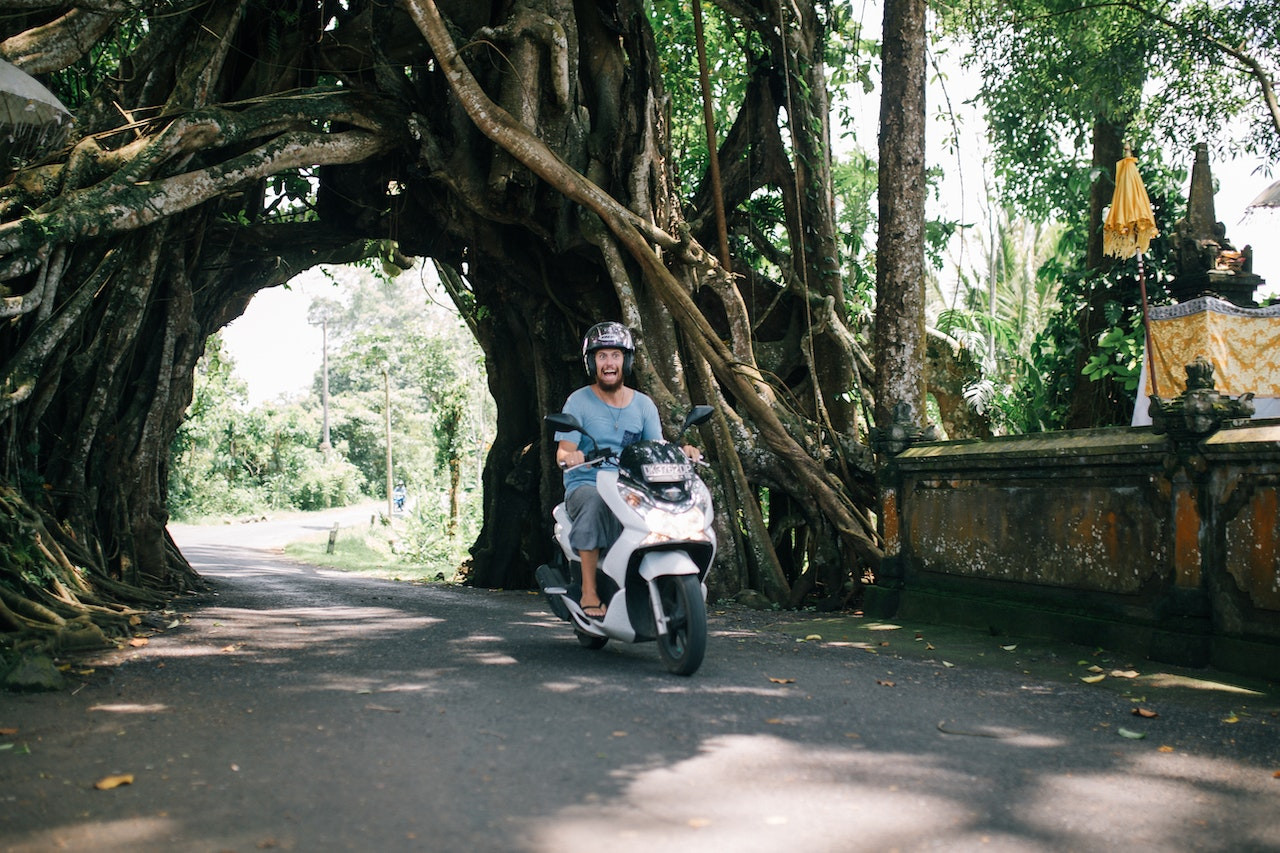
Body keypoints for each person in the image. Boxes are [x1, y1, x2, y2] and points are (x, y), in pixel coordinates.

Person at [554, 322, 701, 621]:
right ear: (592, 362)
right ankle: (589, 590)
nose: (609, 363)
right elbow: (563, 451)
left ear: (627, 360)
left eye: (616, 356)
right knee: (595, 503)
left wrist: (682, 450)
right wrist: (573, 456)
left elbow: (655, 447)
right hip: (588, 483)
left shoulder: (644, 405)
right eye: (602, 356)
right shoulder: (578, 401)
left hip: (630, 486)